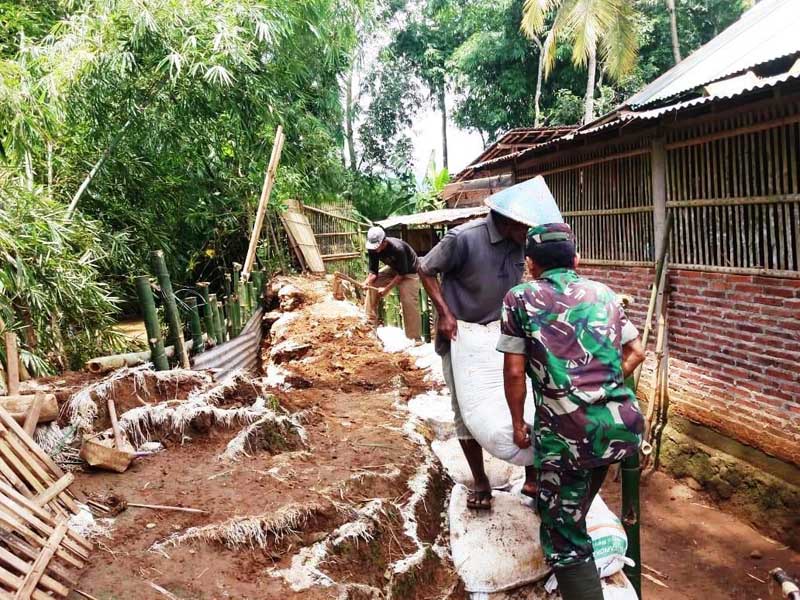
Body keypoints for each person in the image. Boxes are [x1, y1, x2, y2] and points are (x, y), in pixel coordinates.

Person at [498, 223, 646, 600]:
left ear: (530, 263)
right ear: (576, 259)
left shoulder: (520, 298)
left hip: (567, 436)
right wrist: (598, 386)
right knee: (574, 505)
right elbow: (637, 352)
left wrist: (519, 424)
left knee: (564, 536)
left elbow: (515, 370)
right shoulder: (604, 293)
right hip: (619, 428)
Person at [417, 208, 530, 510]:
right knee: (466, 408)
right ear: (511, 218)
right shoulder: (463, 238)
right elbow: (425, 269)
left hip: (502, 333)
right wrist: (445, 313)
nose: (530, 234)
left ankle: (532, 476)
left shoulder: (519, 241)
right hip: (462, 336)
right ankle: (480, 480)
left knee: (524, 400)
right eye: (527, 226)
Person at [363, 226, 422, 341]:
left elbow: (402, 274)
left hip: (409, 272)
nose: (375, 250)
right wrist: (366, 282)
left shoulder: (398, 248)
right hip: (393, 268)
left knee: (409, 301)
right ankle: (369, 324)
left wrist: (386, 289)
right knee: (372, 285)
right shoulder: (372, 249)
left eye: (377, 247)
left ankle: (415, 338)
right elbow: (373, 272)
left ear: (384, 242)